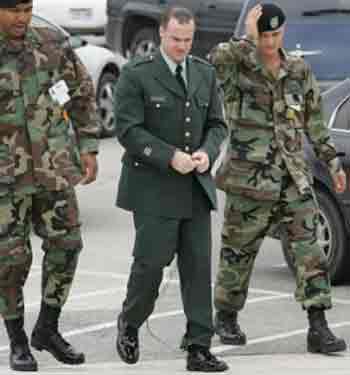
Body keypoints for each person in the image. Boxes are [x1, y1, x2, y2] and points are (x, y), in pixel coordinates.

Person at [212, 3, 347, 354]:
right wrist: (249, 37)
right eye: (264, 35)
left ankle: (318, 326)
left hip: (292, 178)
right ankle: (226, 316)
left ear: (284, 32)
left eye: (275, 35)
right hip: (248, 179)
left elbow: (315, 122)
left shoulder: (299, 70)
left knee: (310, 250)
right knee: (238, 252)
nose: (270, 42)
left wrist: (332, 163)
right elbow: (216, 57)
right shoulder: (238, 64)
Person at [114, 6, 228, 372]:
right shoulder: (136, 75)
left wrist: (208, 154)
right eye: (176, 39)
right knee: (150, 266)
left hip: (195, 186)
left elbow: (217, 125)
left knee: (197, 269)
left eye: (188, 40)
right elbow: (128, 131)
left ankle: (199, 346)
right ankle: (130, 322)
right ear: (162, 34)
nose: (182, 46)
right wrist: (169, 157)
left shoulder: (204, 73)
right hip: (154, 188)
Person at [0, 0, 99, 371]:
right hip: (6, 178)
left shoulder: (51, 44)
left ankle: (47, 328)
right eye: (12, 10)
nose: (21, 18)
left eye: (26, 9)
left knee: (68, 245)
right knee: (10, 262)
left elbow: (81, 93)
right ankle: (17, 340)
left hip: (53, 169)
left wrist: (88, 145)